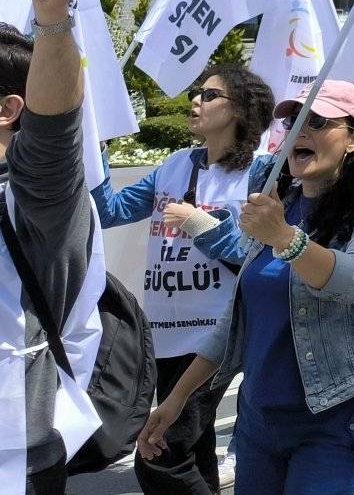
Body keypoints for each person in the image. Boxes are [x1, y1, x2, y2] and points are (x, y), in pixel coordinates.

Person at [140, 81, 354, 495]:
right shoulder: (279, 205)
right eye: (294, 120)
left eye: (317, 122)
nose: (299, 130)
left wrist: (285, 237)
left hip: (340, 415)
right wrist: (176, 399)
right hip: (260, 418)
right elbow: (237, 321)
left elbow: (353, 279)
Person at [93, 64, 276, 495]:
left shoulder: (262, 172)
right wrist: (95, 149)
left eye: (210, 95)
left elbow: (258, 254)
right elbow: (109, 211)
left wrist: (199, 223)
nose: (196, 101)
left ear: (240, 109)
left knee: (162, 454)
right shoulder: (175, 166)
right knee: (194, 448)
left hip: (216, 336)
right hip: (167, 331)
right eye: (196, 92)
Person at [1, 0, 96, 494]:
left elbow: (54, 133)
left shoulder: (36, 197)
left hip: (16, 461)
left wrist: (53, 17)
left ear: (9, 109)